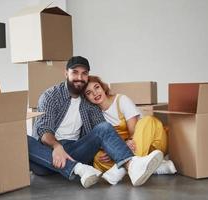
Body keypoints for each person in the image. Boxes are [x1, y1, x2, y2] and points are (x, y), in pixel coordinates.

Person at [27, 56, 164, 188]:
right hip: (47, 155)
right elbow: (44, 129)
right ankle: (78, 169)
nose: (79, 78)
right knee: (23, 140)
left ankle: (131, 166)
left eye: (84, 73)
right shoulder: (51, 96)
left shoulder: (88, 101)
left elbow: (101, 129)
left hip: (77, 150)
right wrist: (57, 147)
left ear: (87, 76)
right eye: (75, 72)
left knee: (104, 127)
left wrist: (109, 148)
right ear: (66, 73)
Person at [84, 75, 177, 185]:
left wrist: (121, 151)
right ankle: (156, 167)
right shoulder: (95, 114)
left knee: (147, 120)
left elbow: (134, 133)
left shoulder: (121, 100)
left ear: (103, 87)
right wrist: (113, 151)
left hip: (151, 142)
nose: (95, 93)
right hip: (131, 150)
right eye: (89, 93)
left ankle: (120, 170)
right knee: (98, 158)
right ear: (86, 99)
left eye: (96, 87)